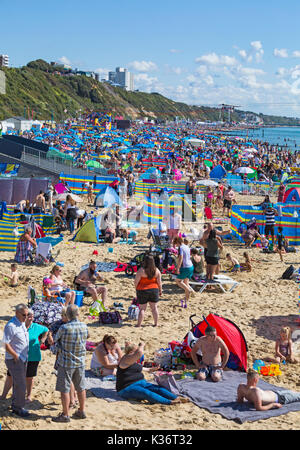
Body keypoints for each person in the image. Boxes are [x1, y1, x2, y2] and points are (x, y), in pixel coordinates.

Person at [1, 309, 50, 403]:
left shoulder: (36, 327)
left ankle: (28, 396)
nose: (31, 318)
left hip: (33, 356)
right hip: (18, 356)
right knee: (10, 376)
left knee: (29, 377)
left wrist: (43, 339)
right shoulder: (18, 326)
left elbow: (46, 330)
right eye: (28, 315)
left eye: (32, 316)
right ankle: (4, 395)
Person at [116, 342, 189, 405]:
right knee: (146, 393)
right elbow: (139, 353)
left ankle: (176, 397)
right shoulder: (125, 359)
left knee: (159, 389)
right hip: (126, 388)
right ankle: (169, 402)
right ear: (131, 352)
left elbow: (144, 369)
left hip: (141, 383)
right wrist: (141, 345)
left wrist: (152, 369)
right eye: (135, 350)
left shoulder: (133, 361)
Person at [52, 304, 89, 423]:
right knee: (81, 387)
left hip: (66, 362)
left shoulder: (64, 328)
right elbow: (88, 336)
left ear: (67, 315)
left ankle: (65, 414)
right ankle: (81, 410)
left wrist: (50, 341)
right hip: (80, 361)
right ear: (78, 314)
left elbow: (56, 341)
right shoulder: (84, 326)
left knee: (65, 389)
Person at [2, 304, 30, 417]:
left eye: (27, 315)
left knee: (18, 383)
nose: (26, 317)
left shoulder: (21, 322)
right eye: (24, 315)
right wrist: (15, 356)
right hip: (15, 359)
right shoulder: (11, 326)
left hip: (22, 358)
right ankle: (18, 408)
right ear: (17, 313)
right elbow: (5, 343)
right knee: (21, 384)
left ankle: (15, 405)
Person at [134, 254, 162, 327]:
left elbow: (136, 282)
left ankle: (139, 324)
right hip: (154, 289)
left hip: (142, 290)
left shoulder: (141, 270)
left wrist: (136, 288)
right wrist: (160, 290)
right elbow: (159, 282)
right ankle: (156, 323)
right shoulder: (156, 270)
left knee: (142, 309)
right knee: (154, 308)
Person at [173, 237, 195, 308]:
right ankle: (187, 298)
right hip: (191, 266)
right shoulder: (186, 246)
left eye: (175, 244)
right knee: (186, 282)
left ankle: (188, 290)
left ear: (177, 242)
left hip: (186, 267)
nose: (176, 245)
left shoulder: (181, 248)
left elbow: (181, 258)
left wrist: (178, 268)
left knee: (178, 281)